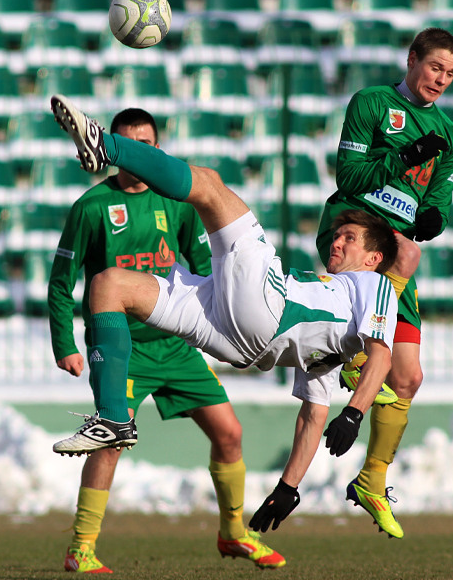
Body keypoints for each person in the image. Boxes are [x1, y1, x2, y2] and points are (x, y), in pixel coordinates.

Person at [48, 93, 402, 535]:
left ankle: (108, 146)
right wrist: (288, 488)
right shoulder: (330, 340)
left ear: (373, 258)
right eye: (336, 235)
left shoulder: (375, 285)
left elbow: (382, 355)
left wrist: (354, 413)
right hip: (233, 333)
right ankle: (114, 418)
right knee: (107, 285)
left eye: (349, 238)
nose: (336, 242)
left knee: (210, 187)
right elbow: (312, 416)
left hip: (267, 307)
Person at [48, 108, 286, 572]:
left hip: (175, 344)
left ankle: (234, 534)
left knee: (230, 434)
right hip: (124, 350)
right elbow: (61, 282)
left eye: (148, 145)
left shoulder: (178, 204)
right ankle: (82, 546)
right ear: (111, 150)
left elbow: (202, 267)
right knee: (110, 442)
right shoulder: (92, 207)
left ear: (157, 150)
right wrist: (66, 345)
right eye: (129, 144)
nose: (140, 153)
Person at [315, 27, 453, 540]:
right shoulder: (373, 104)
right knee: (406, 252)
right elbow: (348, 176)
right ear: (413, 60)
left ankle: (372, 481)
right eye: (435, 68)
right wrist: (405, 155)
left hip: (397, 253)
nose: (441, 81)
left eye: (450, 74)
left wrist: (434, 219)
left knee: (408, 378)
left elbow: (439, 200)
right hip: (354, 226)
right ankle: (352, 356)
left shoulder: (450, 134)